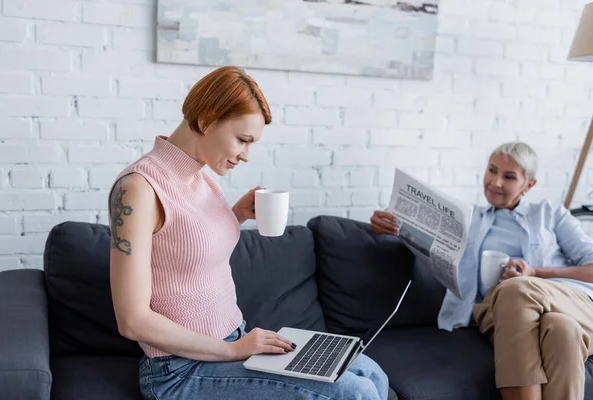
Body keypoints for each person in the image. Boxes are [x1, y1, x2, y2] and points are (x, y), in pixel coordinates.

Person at [108, 66, 389, 400]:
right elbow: (133, 321)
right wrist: (232, 351)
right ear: (207, 120)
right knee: (355, 393)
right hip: (181, 370)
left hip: (234, 340)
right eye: (242, 140)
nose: (245, 155)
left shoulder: (201, 178)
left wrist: (236, 215)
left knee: (371, 372)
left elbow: (182, 246)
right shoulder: (137, 189)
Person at [370, 142, 593, 400]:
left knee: (517, 290)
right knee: (562, 331)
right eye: (492, 170)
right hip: (501, 313)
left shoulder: (550, 215)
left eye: (509, 176)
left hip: (569, 301)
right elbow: (431, 249)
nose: (496, 182)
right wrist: (392, 226)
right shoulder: (469, 219)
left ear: (528, 185)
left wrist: (536, 273)